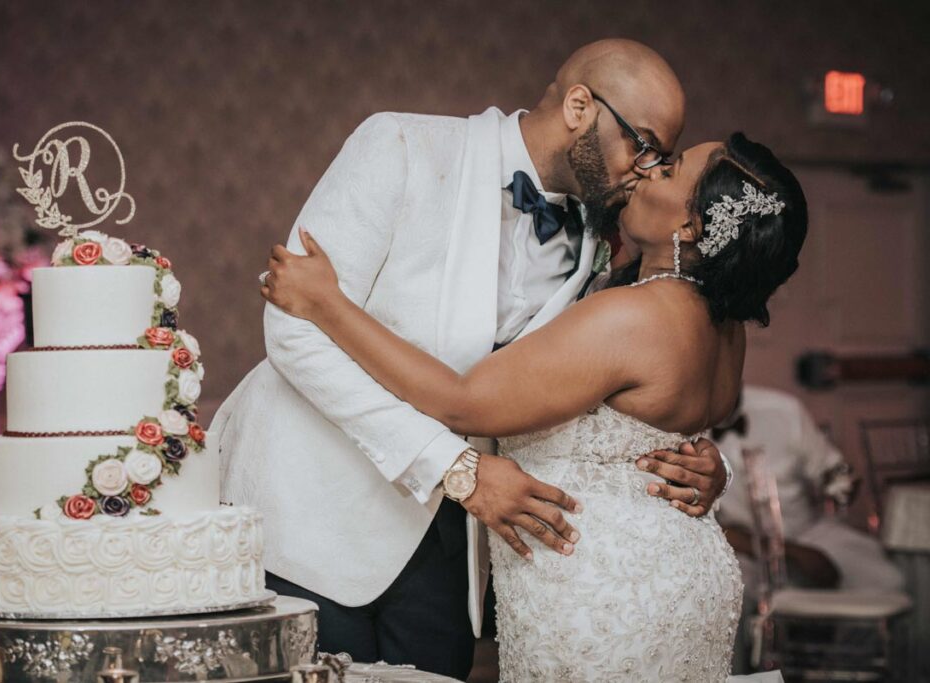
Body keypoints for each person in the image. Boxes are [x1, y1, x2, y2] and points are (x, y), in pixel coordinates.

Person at [213, 39, 730, 678]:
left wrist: (701, 461)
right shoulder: (401, 145)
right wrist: (455, 468)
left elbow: (614, 379)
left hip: (455, 550)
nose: (648, 171)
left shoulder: (607, 235)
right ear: (579, 107)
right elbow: (295, 331)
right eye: (643, 145)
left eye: (664, 159)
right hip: (312, 518)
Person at [261, 132, 809, 679]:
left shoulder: (635, 316)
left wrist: (327, 304)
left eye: (668, 171)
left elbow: (460, 403)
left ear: (690, 228)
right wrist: (718, 470)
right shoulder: (725, 327)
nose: (647, 170)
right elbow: (661, 432)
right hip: (685, 577)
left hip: (602, 590)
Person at [716, 385, 905, 593]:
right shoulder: (689, 423)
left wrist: (841, 483)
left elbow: (830, 469)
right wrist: (791, 552)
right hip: (737, 547)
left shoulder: (783, 409)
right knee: (728, 591)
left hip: (806, 533)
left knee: (887, 580)